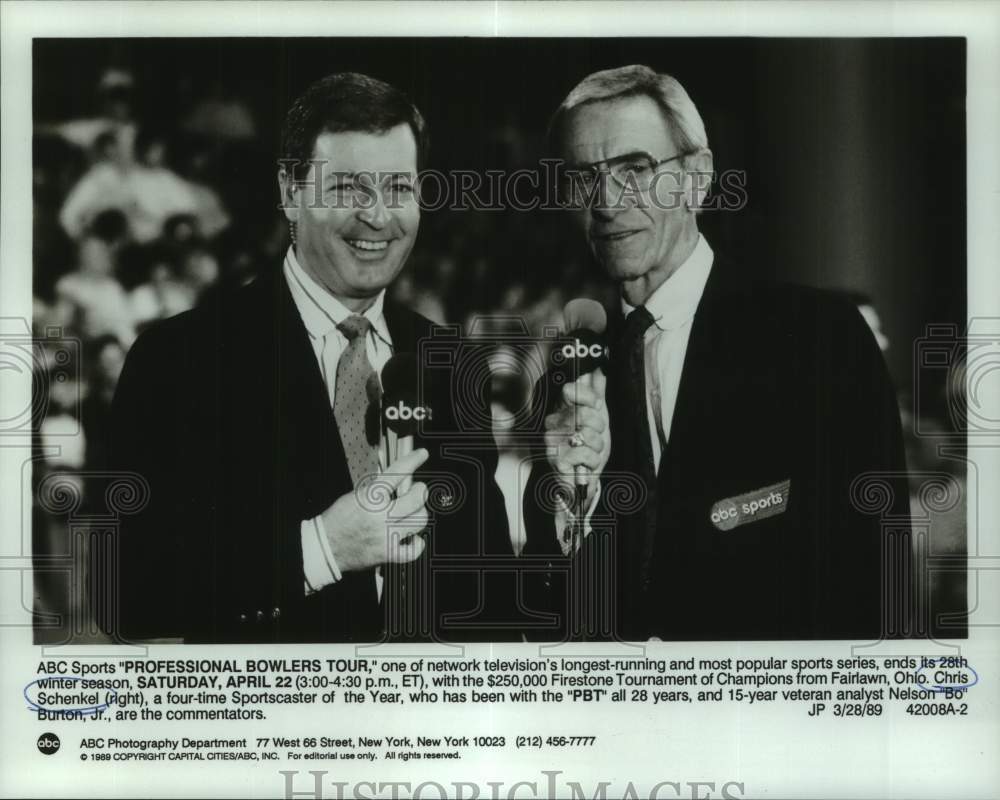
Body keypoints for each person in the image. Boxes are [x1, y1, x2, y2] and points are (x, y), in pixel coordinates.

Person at [109, 73, 516, 643]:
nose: (378, 217)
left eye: (399, 187)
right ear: (289, 192)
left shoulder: (451, 363)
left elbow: (491, 602)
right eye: (348, 187)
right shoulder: (180, 359)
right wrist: (320, 548)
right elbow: (127, 593)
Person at [523, 65, 912, 641]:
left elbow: (874, 582)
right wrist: (569, 500)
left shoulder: (817, 338)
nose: (606, 201)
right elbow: (546, 607)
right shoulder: (569, 375)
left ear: (698, 178)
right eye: (583, 178)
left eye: (636, 169)